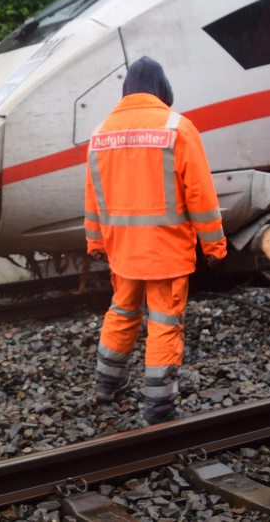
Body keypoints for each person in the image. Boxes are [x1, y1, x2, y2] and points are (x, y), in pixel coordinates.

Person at [84, 56, 225, 426]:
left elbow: (92, 196)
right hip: (166, 251)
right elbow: (201, 195)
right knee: (164, 324)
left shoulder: (100, 133)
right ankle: (159, 408)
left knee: (122, 313)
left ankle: (106, 385)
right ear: (164, 90)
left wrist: (96, 242)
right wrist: (214, 246)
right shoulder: (178, 128)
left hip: (123, 251)